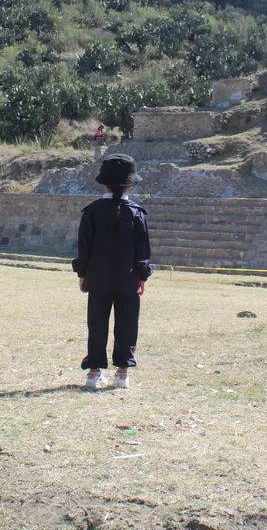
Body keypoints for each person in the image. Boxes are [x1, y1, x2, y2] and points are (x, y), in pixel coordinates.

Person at [71, 154, 152, 390]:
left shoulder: (92, 212)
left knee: (97, 325)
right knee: (127, 325)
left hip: (97, 280)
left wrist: (82, 274)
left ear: (103, 183)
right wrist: (142, 275)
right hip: (128, 281)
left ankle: (94, 373)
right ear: (131, 184)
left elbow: (83, 248)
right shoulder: (137, 213)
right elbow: (143, 251)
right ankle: (122, 374)